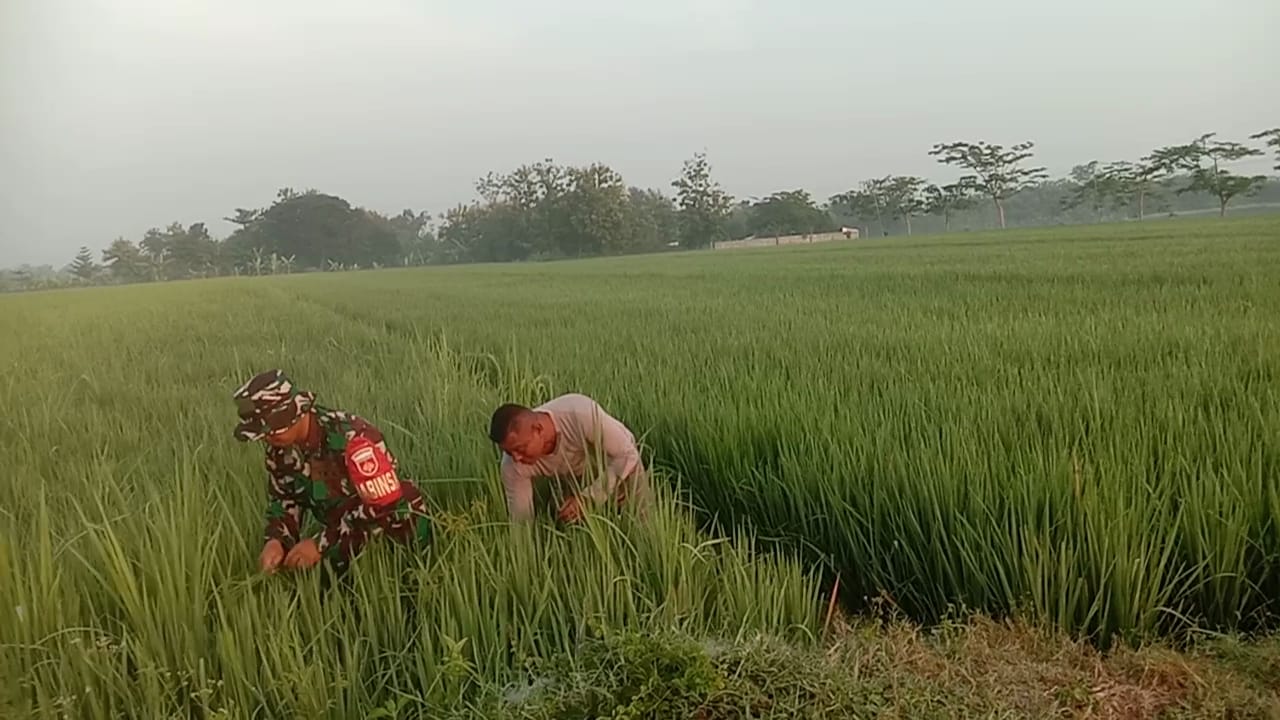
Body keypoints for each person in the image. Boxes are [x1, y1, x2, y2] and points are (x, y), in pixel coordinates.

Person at [232, 369, 433, 574]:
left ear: (294, 415)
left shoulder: (353, 437)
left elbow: (385, 504)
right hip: (342, 533)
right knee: (324, 584)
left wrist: (321, 543)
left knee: (406, 575)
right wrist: (276, 540)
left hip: (393, 528)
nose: (267, 439)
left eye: (271, 431)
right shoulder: (280, 450)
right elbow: (284, 498)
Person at [487, 393, 653, 523]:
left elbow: (627, 454)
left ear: (538, 429)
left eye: (520, 449)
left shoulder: (580, 415)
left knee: (642, 518)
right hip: (577, 474)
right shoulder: (511, 466)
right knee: (562, 512)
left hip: (619, 460)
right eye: (508, 452)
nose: (516, 458)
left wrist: (587, 498)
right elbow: (521, 521)